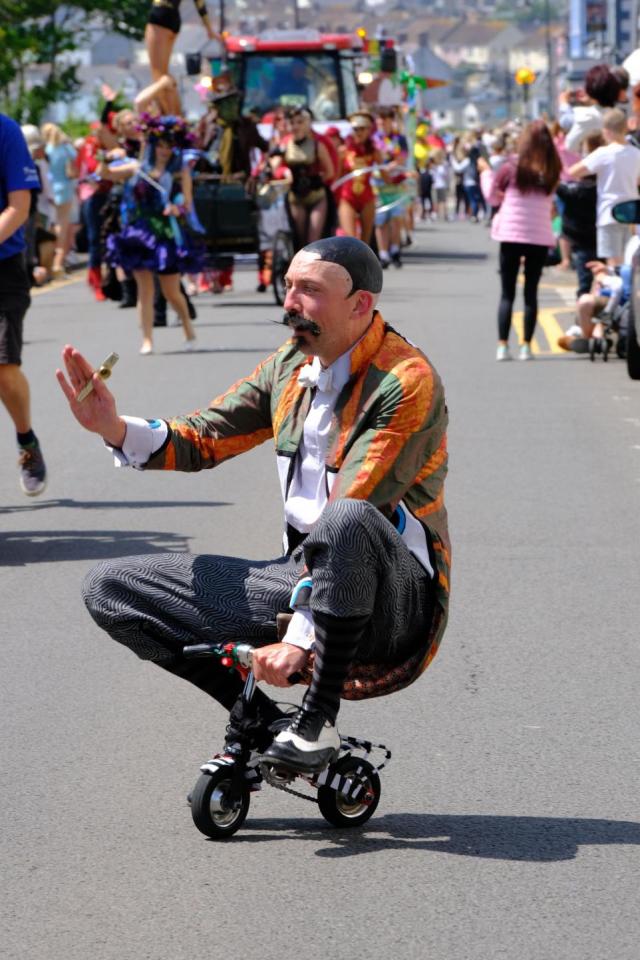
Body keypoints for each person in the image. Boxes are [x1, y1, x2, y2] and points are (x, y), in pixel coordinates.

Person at [56, 236, 450, 777]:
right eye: (288, 286)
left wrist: (297, 637)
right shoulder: (291, 366)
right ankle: (266, 725)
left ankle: (316, 721)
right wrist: (114, 427)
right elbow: (205, 437)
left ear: (361, 304)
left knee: (347, 517)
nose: (289, 302)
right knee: (112, 589)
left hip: (391, 601)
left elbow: (354, 503)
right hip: (303, 579)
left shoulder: (406, 382)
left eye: (309, 291)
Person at [104, 114, 202, 354]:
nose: (165, 150)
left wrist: (175, 208)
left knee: (171, 291)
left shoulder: (181, 170)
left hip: (166, 232)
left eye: (169, 146)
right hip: (140, 233)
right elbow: (105, 174)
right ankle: (147, 339)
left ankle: (188, 326)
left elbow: (187, 204)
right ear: (151, 145)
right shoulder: (137, 167)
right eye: (160, 145)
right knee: (144, 290)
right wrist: (104, 156)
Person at [0, 113, 47, 496]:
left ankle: (26, 441)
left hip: (4, 268)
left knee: (3, 368)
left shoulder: (6, 130)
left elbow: (19, 206)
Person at [489, 119, 562, 361]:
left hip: (511, 234)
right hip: (539, 235)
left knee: (507, 293)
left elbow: (492, 197)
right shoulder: (552, 169)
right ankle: (526, 347)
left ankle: (502, 346)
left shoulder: (511, 168)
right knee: (531, 292)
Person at [568, 108, 640, 267]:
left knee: (613, 264)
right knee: (628, 261)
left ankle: (617, 290)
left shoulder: (603, 153)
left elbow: (573, 171)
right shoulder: (636, 153)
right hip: (631, 214)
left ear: (606, 131)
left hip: (609, 213)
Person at [137, 0, 221, 116]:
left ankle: (171, 118)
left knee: (159, 76)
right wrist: (209, 29)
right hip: (173, 17)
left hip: (160, 14)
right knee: (163, 75)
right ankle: (176, 117)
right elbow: (200, 4)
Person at [283, 106, 335, 251]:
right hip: (295, 195)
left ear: (307, 124)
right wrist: (284, 172)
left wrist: (318, 180)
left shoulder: (318, 145)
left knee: (313, 240)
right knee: (299, 238)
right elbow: (274, 164)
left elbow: (330, 171)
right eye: (292, 122)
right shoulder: (285, 144)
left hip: (316, 194)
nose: (296, 126)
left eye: (300, 122)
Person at [336, 111, 380, 246]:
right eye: (356, 129)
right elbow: (337, 178)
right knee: (350, 241)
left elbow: (387, 177)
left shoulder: (374, 151)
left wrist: (402, 176)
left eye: (363, 129)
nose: (359, 132)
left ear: (369, 130)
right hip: (347, 197)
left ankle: (364, 266)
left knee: (365, 243)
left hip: (367, 197)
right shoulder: (343, 150)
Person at [41, 122, 78, 278]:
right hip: (65, 189)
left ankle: (53, 260)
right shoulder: (64, 149)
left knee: (53, 224)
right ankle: (58, 263)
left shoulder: (47, 150)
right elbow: (75, 156)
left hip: (51, 189)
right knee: (62, 226)